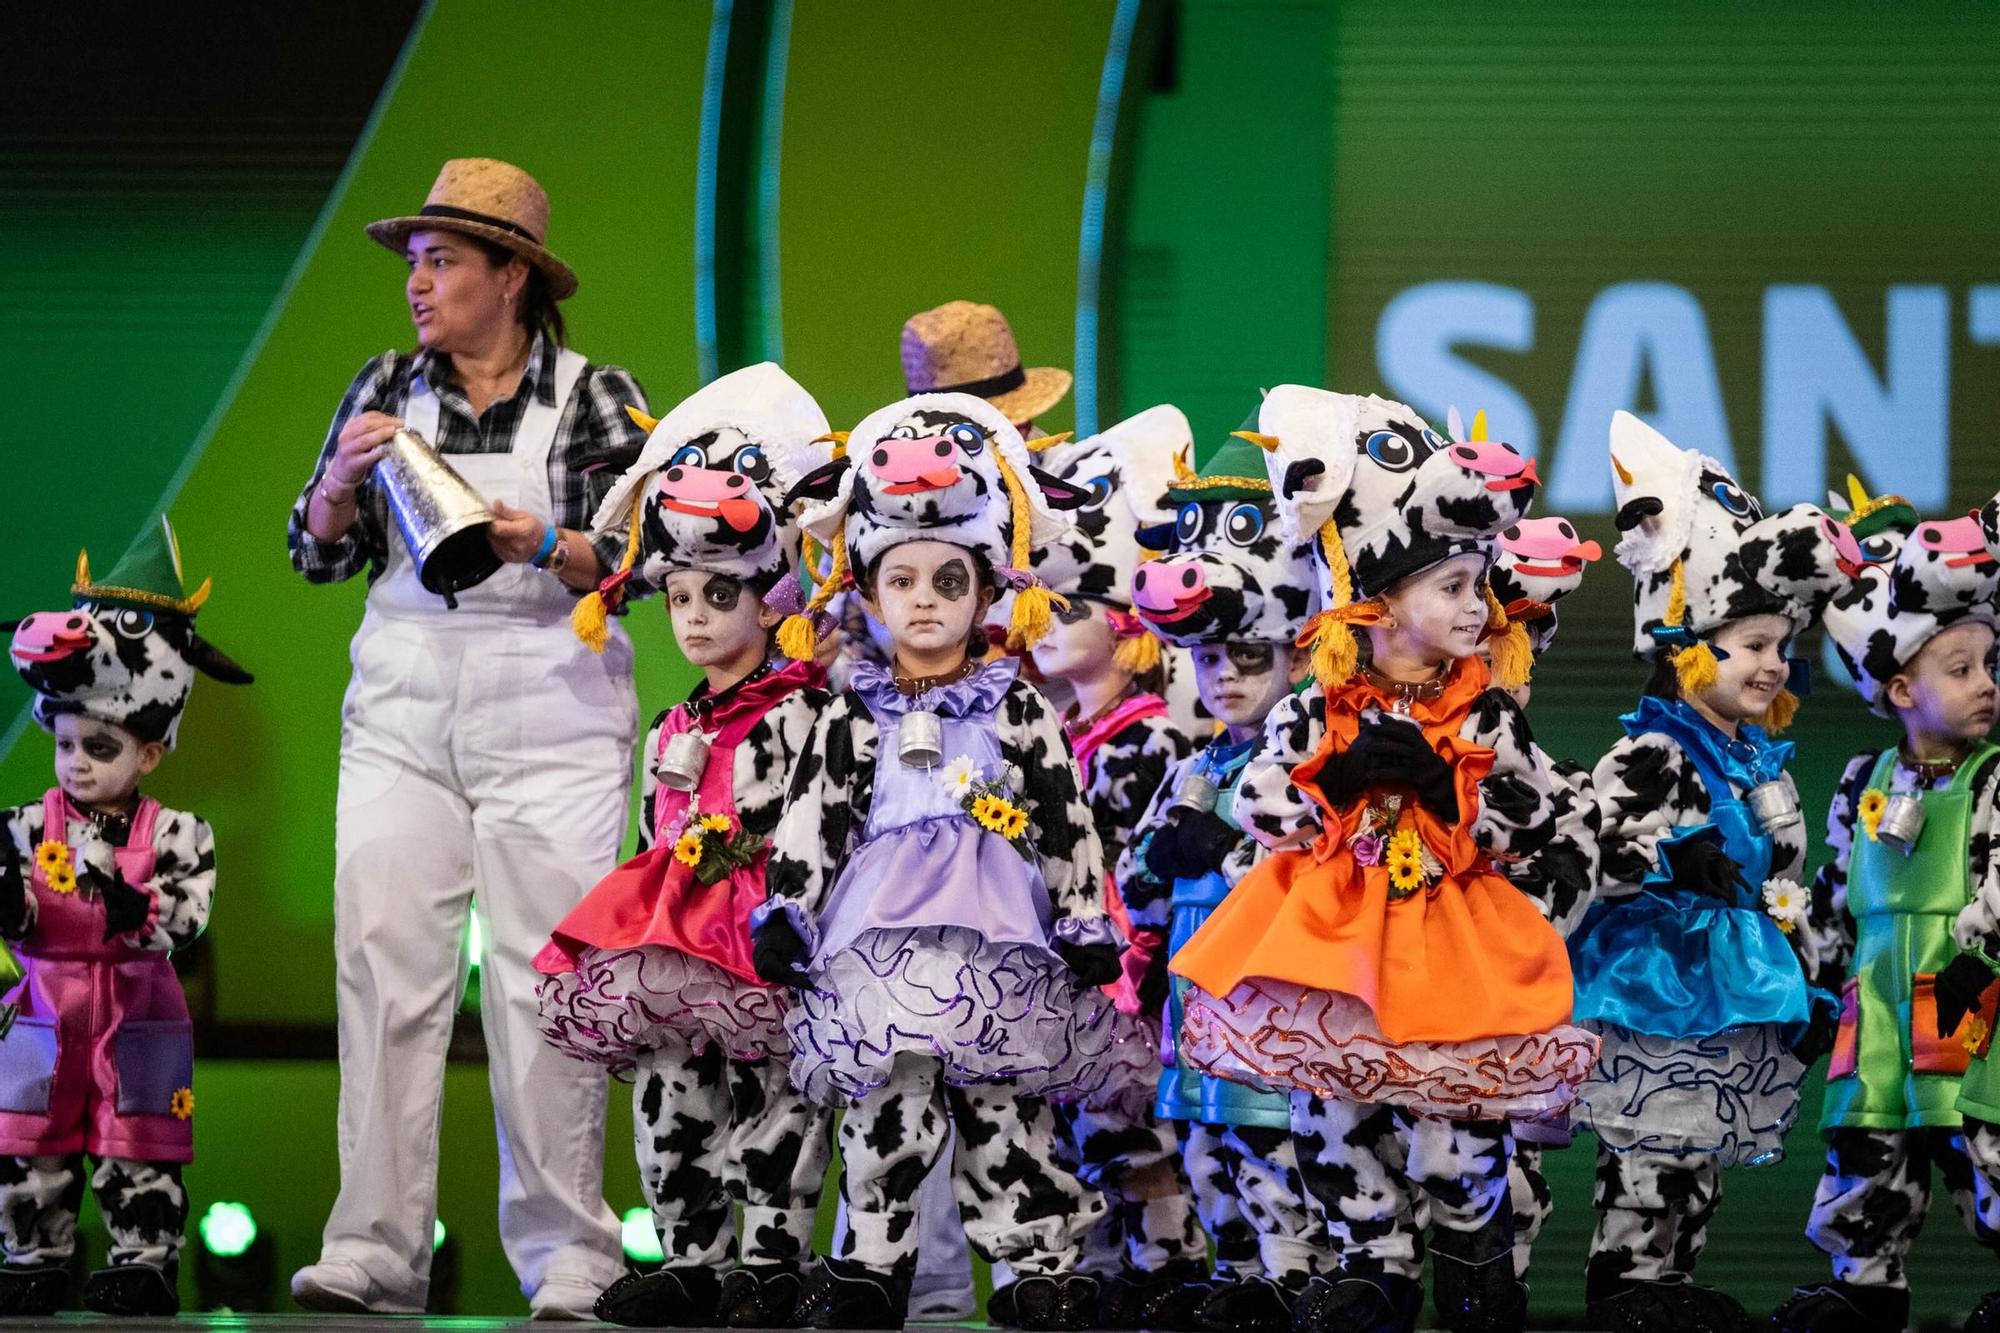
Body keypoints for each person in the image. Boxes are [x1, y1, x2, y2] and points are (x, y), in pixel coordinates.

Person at [284, 158, 649, 1318]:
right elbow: (315, 553)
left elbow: (643, 561)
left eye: (443, 260)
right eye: (414, 261)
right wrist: (338, 482)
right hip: (402, 706)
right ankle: (375, 1245)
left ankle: (570, 1256)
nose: (419, 282)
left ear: (513, 276)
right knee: (383, 963)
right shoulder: (386, 385)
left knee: (545, 981)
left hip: (550, 709)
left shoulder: (595, 397)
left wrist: (548, 544)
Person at [1170, 387, 1593, 1333]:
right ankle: (1373, 1268)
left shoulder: (1485, 709)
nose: (1477, 607)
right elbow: (1261, 798)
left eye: (1481, 585)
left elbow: (1546, 808)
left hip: (1450, 943)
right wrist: (1336, 779)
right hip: (1336, 948)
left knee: (1455, 1135)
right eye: (1451, 586)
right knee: (1336, 1123)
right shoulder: (1320, 704)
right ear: (1377, 601)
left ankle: (1474, 1253)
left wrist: (1454, 799)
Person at [751, 390, 1121, 1330]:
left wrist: (1083, 916)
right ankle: (874, 1264)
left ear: (988, 592)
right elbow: (812, 816)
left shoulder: (1016, 706)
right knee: (886, 1101)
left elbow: (1064, 814)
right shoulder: (850, 710)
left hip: (998, 931)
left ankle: (1035, 1263)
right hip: (879, 937)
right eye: (900, 581)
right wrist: (787, 908)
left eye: (946, 582)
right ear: (866, 594)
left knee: (1004, 1106)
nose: (922, 600)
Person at [532, 363, 838, 1328]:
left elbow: (818, 823)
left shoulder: (804, 711)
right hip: (672, 940)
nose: (697, 616)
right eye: (681, 598)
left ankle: (771, 1255)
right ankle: (691, 1253)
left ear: (773, 595)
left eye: (720, 595)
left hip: (762, 938)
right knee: (670, 1094)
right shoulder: (672, 723)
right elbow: (649, 837)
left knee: (776, 1094)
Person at [1567, 412, 1860, 1332]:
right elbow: (1587, 856)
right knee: (1652, 1156)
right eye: (1753, 646)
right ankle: (1628, 1290)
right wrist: (1662, 856)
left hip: (1729, 992)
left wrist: (1811, 972)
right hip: (1661, 993)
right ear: (1687, 642)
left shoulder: (1753, 760)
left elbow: (1782, 884)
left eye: (1783, 645)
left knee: (1695, 1164)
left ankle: (1669, 1282)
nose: (1776, 665)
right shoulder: (1655, 751)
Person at [0, 518, 251, 1317]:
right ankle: (31, 1253)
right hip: (42, 1009)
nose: (76, 762)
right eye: (65, 743)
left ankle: (145, 1258)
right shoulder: (23, 827)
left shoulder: (180, 834)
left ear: (149, 751)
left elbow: (188, 915)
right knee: (26, 1139)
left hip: (137, 1012)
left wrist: (135, 907)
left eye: (99, 746)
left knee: (139, 1144)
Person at [1119, 424, 1331, 1333]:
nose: (1227, 675)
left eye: (1250, 658)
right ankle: (1236, 1272)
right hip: (1196, 999)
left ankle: (1289, 1280)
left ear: (1293, 655)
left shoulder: (1314, 758)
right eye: (1210, 659)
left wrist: (1225, 849)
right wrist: (1158, 868)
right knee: (1207, 1152)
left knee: (1273, 1147)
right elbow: (1141, 872)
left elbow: (1309, 859)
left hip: (1273, 996)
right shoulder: (1196, 761)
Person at [1770, 492, 2000, 1333]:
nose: (1985, 686)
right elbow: (1835, 889)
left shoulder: (1993, 780)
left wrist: (1982, 952)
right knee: (1869, 1140)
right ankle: (1863, 1282)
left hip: (1971, 994)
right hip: (1876, 1004)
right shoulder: (1864, 781)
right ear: (1901, 687)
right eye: (1961, 668)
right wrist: (1811, 977)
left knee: (1982, 1135)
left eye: (1990, 666)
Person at [1027, 405, 1206, 1326]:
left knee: (1138, 1134)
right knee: (1086, 1135)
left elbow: (1143, 869)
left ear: (1128, 622)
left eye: (1073, 607)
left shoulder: (1155, 739)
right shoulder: (1062, 731)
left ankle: (1167, 1270)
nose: (1050, 624)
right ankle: (1103, 1275)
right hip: (1076, 968)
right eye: (1043, 605)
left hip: (1132, 973)